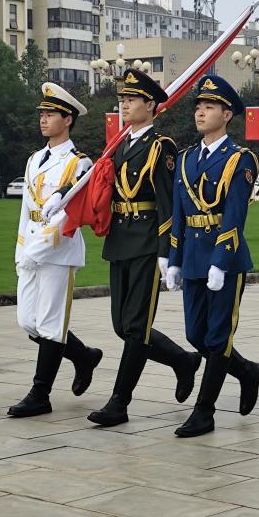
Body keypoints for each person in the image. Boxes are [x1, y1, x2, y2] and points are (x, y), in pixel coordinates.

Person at [85, 69, 202, 428]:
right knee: (122, 326)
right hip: (120, 239)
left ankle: (119, 403)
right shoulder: (120, 145)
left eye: (131, 99)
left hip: (148, 241)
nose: (124, 105)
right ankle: (183, 361)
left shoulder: (160, 147)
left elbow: (168, 204)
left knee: (136, 327)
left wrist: (168, 252)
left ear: (150, 105)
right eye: (122, 99)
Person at [165, 75, 259, 437]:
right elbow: (178, 214)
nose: (200, 112)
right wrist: (174, 259)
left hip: (225, 259)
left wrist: (221, 261)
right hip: (193, 256)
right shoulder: (186, 158)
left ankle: (204, 411)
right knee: (196, 335)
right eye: (198, 106)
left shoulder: (239, 159)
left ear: (226, 115)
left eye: (209, 107)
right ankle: (248, 371)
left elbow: (235, 214)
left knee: (218, 338)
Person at [8, 83, 102, 417]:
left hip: (58, 251)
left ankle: (40, 394)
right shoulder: (35, 159)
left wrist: (39, 249)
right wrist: (22, 251)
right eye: (42, 114)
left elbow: (68, 216)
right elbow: (27, 209)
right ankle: (83, 355)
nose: (43, 119)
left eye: (51, 114)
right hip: (31, 248)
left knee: (50, 323)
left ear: (68, 119)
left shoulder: (79, 164)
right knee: (28, 321)